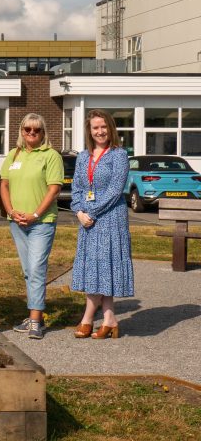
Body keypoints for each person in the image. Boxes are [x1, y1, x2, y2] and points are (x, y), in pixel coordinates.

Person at [0, 113, 64, 340]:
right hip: (17, 222)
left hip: (41, 223)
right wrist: (10, 211)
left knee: (37, 268)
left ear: (43, 132)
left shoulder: (51, 155)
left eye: (36, 130)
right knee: (28, 270)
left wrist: (36, 214)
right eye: (27, 129)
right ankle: (33, 314)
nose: (31, 133)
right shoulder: (13, 154)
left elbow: (54, 189)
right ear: (21, 131)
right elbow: (4, 185)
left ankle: (36, 320)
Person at [71, 109, 134, 339]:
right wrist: (79, 211)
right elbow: (76, 189)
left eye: (103, 126)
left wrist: (91, 212)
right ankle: (109, 319)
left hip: (110, 218)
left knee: (104, 267)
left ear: (111, 128)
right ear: (89, 130)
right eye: (95, 127)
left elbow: (115, 191)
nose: (100, 131)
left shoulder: (119, 155)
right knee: (96, 268)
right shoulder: (83, 156)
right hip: (86, 219)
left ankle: (88, 318)